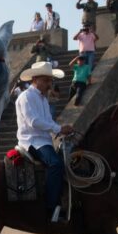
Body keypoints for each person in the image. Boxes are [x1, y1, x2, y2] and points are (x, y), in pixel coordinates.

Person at [15, 62, 74, 223]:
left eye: (50, 80)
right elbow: (34, 121)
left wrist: (59, 130)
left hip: (44, 141)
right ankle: (50, 208)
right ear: (35, 79)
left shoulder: (43, 99)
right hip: (32, 141)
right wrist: (59, 128)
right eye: (46, 80)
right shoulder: (26, 96)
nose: (50, 84)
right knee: (55, 164)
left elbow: (47, 121)